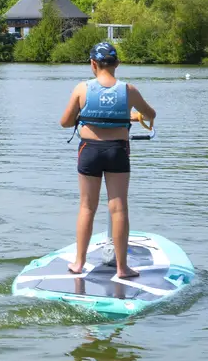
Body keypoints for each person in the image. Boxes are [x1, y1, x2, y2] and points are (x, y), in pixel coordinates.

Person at [58, 41, 156, 278]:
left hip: (89, 151)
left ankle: (79, 263)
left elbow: (65, 122)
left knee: (87, 206)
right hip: (117, 151)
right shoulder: (129, 90)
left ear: (93, 64)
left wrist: (88, 114)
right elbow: (151, 114)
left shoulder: (82, 89)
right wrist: (130, 115)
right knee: (118, 207)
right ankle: (122, 268)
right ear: (117, 64)